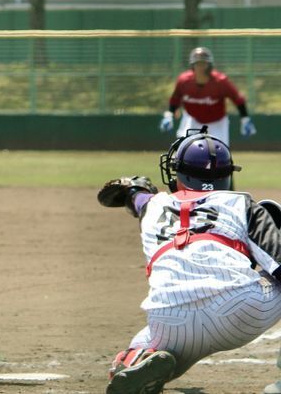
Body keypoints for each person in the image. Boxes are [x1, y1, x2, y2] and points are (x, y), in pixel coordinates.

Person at [97, 127, 281, 394]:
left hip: (168, 319)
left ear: (178, 173)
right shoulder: (243, 204)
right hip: (240, 309)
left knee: (143, 344)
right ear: (228, 175)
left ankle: (131, 361)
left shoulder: (152, 206)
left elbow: (137, 198)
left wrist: (134, 190)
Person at [159, 46, 256, 146]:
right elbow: (175, 99)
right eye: (197, 64)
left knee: (220, 155)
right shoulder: (184, 81)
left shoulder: (220, 81)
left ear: (209, 65)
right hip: (192, 120)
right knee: (183, 152)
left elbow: (238, 99)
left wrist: (245, 119)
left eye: (203, 63)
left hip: (217, 123)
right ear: (192, 66)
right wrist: (169, 115)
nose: (200, 67)